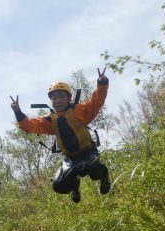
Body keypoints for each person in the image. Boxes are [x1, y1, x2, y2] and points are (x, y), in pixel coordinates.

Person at [10, 68, 111, 203]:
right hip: (70, 158)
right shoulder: (50, 120)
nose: (58, 100)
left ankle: (104, 177)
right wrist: (18, 112)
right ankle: (75, 185)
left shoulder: (79, 111)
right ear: (51, 100)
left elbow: (97, 101)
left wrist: (102, 83)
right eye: (54, 97)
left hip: (87, 152)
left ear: (68, 98)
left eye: (61, 96)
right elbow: (28, 125)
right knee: (58, 185)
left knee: (93, 168)